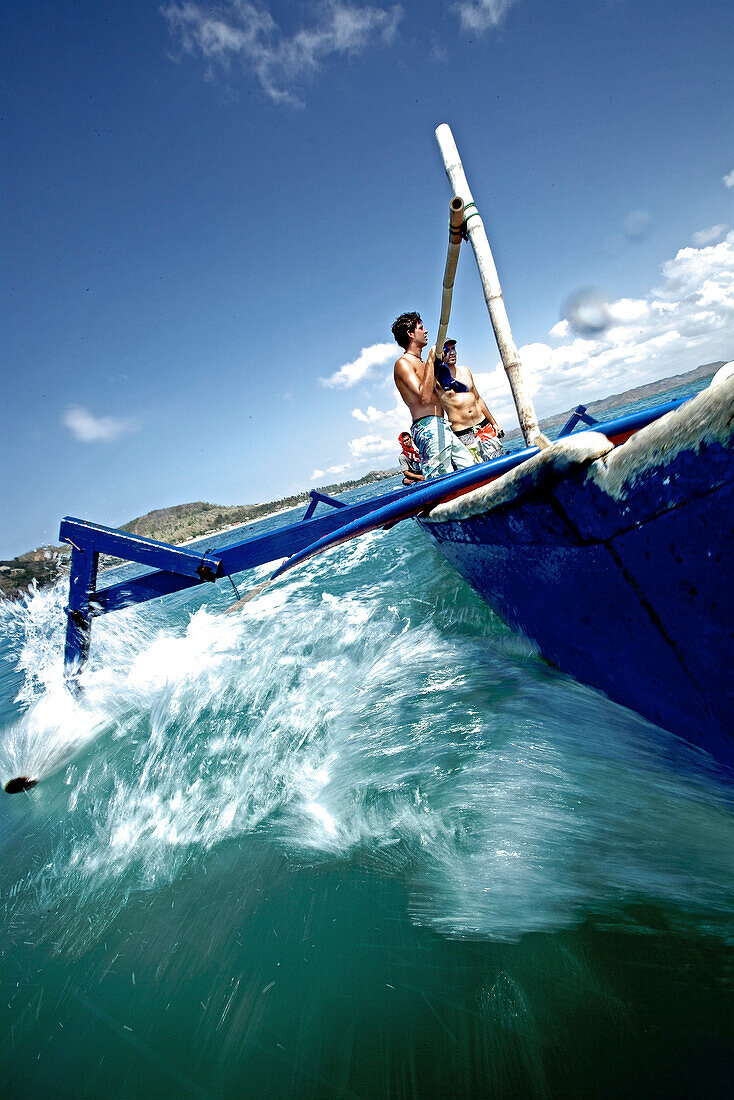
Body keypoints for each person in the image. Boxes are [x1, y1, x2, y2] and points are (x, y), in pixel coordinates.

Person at [392, 312, 475, 478]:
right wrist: (431, 359)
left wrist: (447, 377)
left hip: (442, 425)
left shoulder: (423, 364)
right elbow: (424, 397)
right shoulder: (403, 363)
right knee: (441, 479)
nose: (426, 331)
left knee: (471, 467)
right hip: (427, 427)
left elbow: (446, 390)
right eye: (421, 328)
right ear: (410, 334)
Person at [435, 338, 505, 461]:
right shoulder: (436, 380)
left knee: (501, 461)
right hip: (463, 432)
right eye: (447, 350)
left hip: (484, 425)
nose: (452, 353)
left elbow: (478, 399)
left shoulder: (466, 371)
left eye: (453, 348)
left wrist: (494, 424)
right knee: (477, 469)